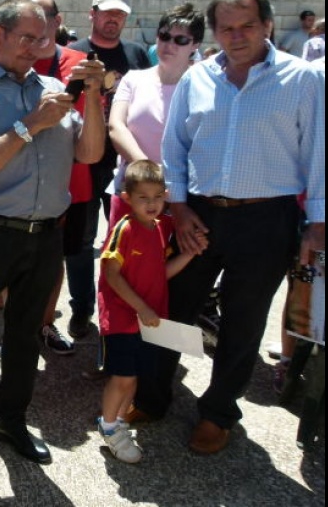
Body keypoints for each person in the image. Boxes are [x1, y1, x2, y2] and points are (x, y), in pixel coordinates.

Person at [131, 0, 325, 455]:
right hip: (197, 215)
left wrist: (318, 222)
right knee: (173, 308)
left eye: (247, 26)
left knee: (242, 322)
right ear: (214, 31)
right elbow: (174, 147)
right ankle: (155, 398)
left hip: (266, 220)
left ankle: (218, 413)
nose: (237, 36)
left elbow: (320, 151)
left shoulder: (302, 79)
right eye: (226, 27)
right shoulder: (198, 78)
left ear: (267, 26)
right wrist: (177, 207)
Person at [0, 0, 105, 480]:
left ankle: (10, 423)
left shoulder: (54, 88)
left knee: (22, 339)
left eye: (43, 38)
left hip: (44, 237)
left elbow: (89, 153)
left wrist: (91, 97)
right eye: (25, 38)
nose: (35, 48)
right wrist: (31, 123)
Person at [94, 160, 198, 464]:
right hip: (122, 318)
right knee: (123, 377)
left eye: (157, 197)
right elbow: (112, 275)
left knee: (135, 377)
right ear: (126, 197)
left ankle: (119, 421)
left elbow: (160, 273)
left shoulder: (161, 228)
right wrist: (142, 307)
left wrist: (190, 254)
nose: (151, 204)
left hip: (148, 320)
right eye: (143, 197)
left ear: (166, 195)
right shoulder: (124, 229)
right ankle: (110, 426)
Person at [67, 0, 151, 338]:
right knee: (82, 242)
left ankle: (125, 309)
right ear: (93, 14)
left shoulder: (137, 55)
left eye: (120, 14)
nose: (113, 19)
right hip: (86, 163)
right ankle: (82, 308)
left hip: (127, 163)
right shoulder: (74, 54)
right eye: (107, 13)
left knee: (130, 239)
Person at [105, 3, 206, 231]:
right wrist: (149, 172)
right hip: (132, 192)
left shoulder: (205, 87)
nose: (169, 45)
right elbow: (116, 127)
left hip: (182, 200)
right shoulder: (133, 79)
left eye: (180, 40)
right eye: (164, 36)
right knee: (121, 265)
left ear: (195, 45)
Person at [29, 0, 91, 355]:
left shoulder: (80, 65)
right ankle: (16, 328)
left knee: (55, 258)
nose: (38, 24)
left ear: (57, 20)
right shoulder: (9, 63)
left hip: (71, 182)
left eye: (45, 16)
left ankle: (45, 322)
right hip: (20, 179)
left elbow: (89, 126)